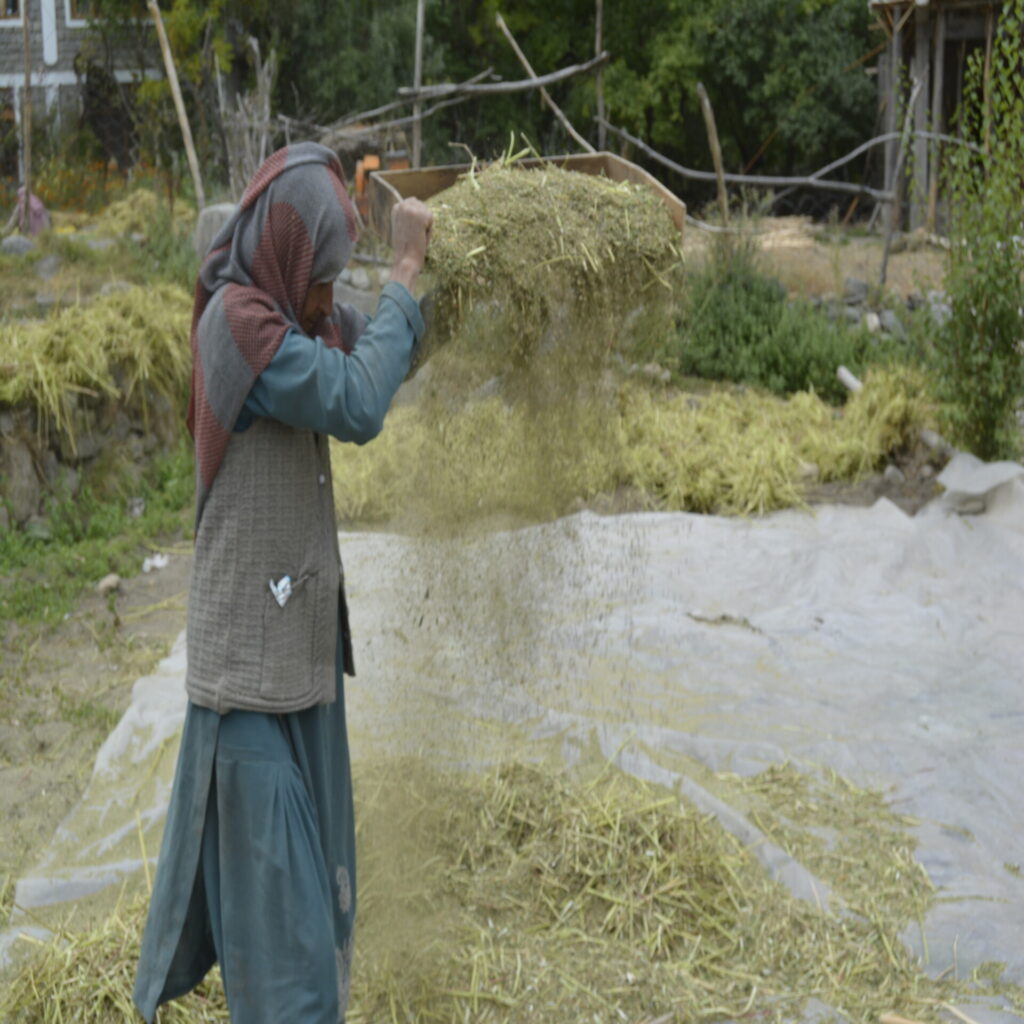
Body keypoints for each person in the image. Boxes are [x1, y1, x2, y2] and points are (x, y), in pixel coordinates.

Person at [133, 141, 433, 1024]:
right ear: (288, 252)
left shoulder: (294, 316)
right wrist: (406, 273)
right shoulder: (238, 324)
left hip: (300, 672)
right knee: (286, 968)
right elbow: (359, 402)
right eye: (322, 279)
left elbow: (384, 353)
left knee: (322, 916)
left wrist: (453, 276)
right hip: (249, 693)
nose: (329, 300)